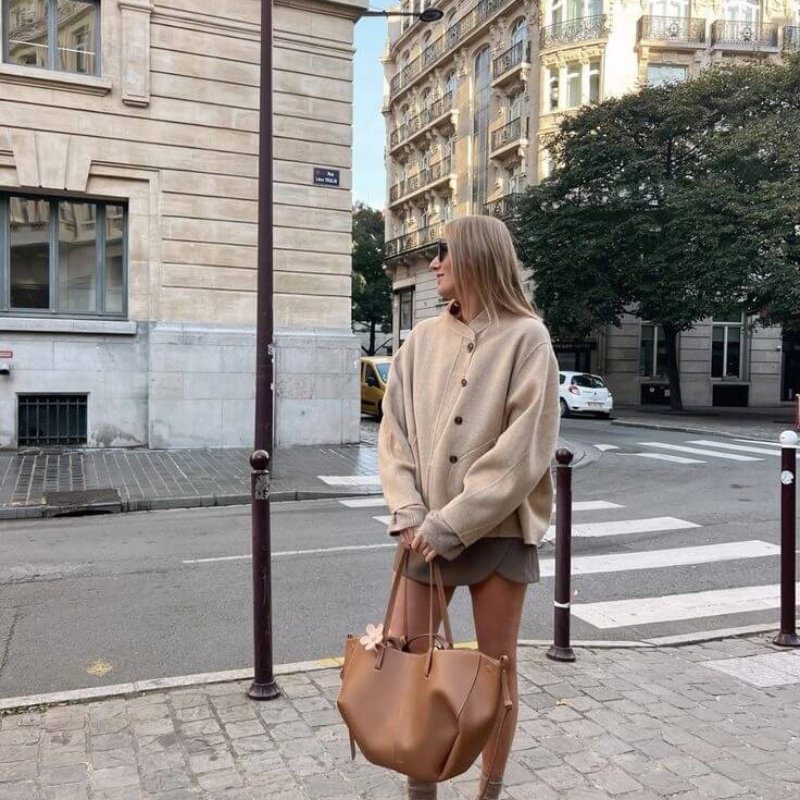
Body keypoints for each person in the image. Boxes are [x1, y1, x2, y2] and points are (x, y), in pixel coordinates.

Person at [377, 215, 561, 800]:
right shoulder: (420, 341)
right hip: (422, 533)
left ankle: (489, 791)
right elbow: (393, 432)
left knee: (496, 671)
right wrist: (409, 509)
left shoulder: (528, 338)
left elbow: (524, 449)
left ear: (477, 258)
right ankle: (421, 789)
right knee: (410, 661)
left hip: (498, 531)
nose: (434, 263)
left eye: (445, 252)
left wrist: (452, 523)